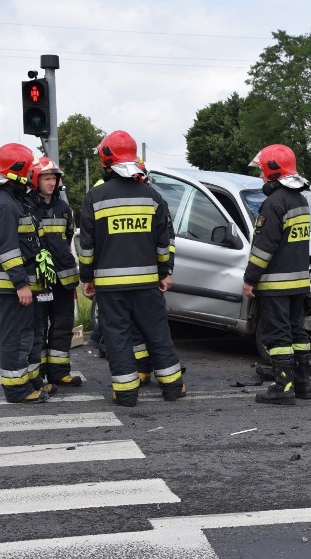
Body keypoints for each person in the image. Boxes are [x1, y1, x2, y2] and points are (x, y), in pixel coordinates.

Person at [79, 130, 184, 407]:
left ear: (105, 161)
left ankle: (126, 394)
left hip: (110, 288)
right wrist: (165, 272)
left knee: (118, 338)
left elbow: (87, 246)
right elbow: (165, 242)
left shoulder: (95, 197)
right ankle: (173, 387)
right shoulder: (152, 196)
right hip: (148, 284)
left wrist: (86, 279)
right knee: (157, 334)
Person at [243, 144, 311, 406]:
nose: (260, 175)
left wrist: (250, 279)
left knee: (278, 336)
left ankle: (283, 387)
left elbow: (264, 247)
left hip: (275, 284)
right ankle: (303, 384)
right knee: (298, 333)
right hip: (299, 282)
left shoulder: (273, 203)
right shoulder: (301, 200)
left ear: (273, 171)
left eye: (262, 170)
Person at [0, 143, 49, 403]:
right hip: (13, 286)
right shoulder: (5, 205)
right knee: (15, 337)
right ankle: (16, 389)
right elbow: (8, 249)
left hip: (21, 284)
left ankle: (30, 380)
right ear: (18, 174)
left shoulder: (13, 200)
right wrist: (21, 284)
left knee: (30, 333)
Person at [28, 157, 82, 387]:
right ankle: (39, 375)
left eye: (54, 178)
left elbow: (68, 238)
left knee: (63, 325)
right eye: (46, 178)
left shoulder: (64, 208)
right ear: (35, 180)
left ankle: (60, 372)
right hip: (40, 277)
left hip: (64, 276)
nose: (51, 183)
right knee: (39, 327)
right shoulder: (26, 206)